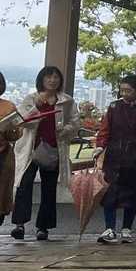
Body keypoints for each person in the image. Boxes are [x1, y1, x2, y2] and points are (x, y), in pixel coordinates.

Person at [11, 66, 80, 241]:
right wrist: (36, 107)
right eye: (48, 77)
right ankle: (19, 224)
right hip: (31, 150)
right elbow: (21, 121)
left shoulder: (66, 101)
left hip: (53, 149)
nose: (52, 80)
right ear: (41, 80)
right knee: (24, 185)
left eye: (56, 77)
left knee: (49, 189)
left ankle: (43, 227)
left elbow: (75, 123)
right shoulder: (31, 99)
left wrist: (65, 130)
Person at [93, 73, 136, 245]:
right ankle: (109, 229)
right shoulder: (114, 107)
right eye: (122, 90)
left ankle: (127, 229)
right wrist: (100, 146)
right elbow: (105, 129)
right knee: (109, 193)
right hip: (114, 157)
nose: (124, 94)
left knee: (132, 193)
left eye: (128, 90)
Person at [0, 72, 21, 229]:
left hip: (3, 155)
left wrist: (11, 129)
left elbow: (16, 134)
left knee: (1, 198)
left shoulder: (9, 107)